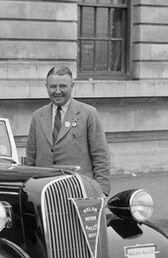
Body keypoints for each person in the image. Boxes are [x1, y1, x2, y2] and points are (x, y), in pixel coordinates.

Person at [24, 65, 111, 196]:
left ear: (72, 86)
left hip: (80, 191)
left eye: (63, 86)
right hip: (44, 192)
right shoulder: (38, 116)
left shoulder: (88, 114)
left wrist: (102, 191)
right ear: (46, 87)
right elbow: (31, 158)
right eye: (53, 86)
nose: (57, 91)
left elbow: (100, 156)